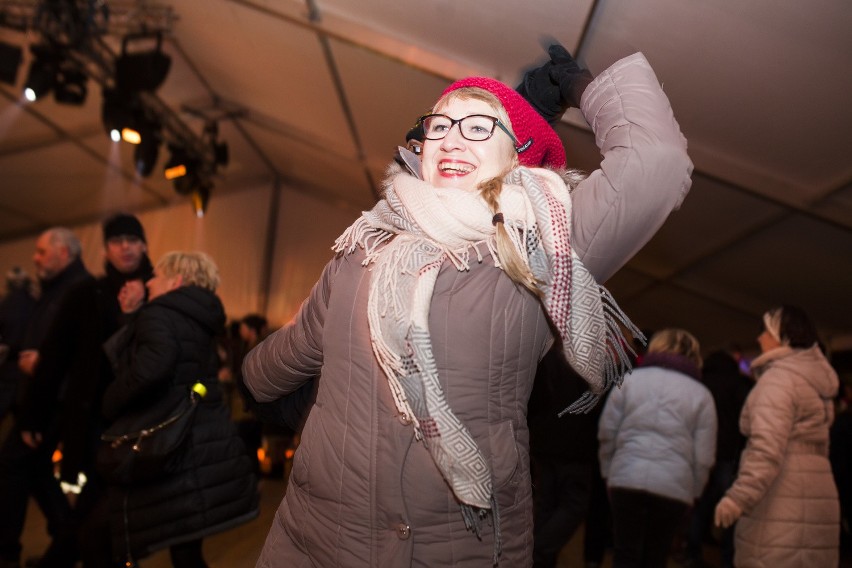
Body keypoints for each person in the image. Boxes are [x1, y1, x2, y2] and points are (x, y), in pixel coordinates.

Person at [243, 46, 693, 566]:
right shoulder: (364, 247)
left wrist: (580, 86)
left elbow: (655, 162)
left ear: (517, 158)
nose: (453, 138)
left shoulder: (538, 248)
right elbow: (280, 360)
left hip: (460, 550)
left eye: (480, 128)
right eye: (442, 125)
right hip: (317, 542)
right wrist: (271, 396)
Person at [89, 251, 259, 567]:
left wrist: (109, 401)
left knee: (100, 532)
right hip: (199, 445)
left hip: (167, 448)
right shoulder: (200, 319)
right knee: (185, 550)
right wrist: (129, 317)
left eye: (157, 275)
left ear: (176, 281)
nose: (150, 281)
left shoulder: (159, 313)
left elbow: (151, 367)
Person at [16, 214, 152, 567]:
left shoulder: (160, 292)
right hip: (95, 423)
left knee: (101, 516)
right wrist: (34, 415)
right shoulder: (86, 294)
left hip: (142, 425)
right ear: (105, 249)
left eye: (132, 240)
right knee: (94, 514)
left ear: (144, 245)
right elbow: (55, 358)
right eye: (117, 240)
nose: (125, 247)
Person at [714, 305, 840, 567]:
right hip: (819, 495)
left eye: (765, 331)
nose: (759, 338)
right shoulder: (812, 380)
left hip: (780, 499)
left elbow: (766, 450)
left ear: (782, 335)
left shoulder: (778, 381)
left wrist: (738, 498)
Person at [0, 228, 91, 568]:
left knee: (11, 464)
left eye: (41, 251)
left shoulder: (76, 292)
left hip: (51, 402)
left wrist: (41, 367)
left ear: (63, 252)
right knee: (36, 470)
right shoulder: (56, 291)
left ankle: (9, 551)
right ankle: (68, 540)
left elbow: (75, 357)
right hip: (43, 398)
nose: (35, 258)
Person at [598, 328, 716, 568]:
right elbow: (703, 456)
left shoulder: (629, 380)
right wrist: (692, 492)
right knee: (656, 555)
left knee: (625, 552)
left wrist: (609, 473)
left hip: (626, 477)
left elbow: (607, 433)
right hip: (674, 486)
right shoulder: (702, 395)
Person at [685, 350, 752, 568]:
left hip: (700, 451)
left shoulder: (699, 381)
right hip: (727, 454)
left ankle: (692, 552)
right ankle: (727, 557)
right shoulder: (737, 384)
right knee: (731, 505)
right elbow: (746, 419)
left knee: (701, 503)